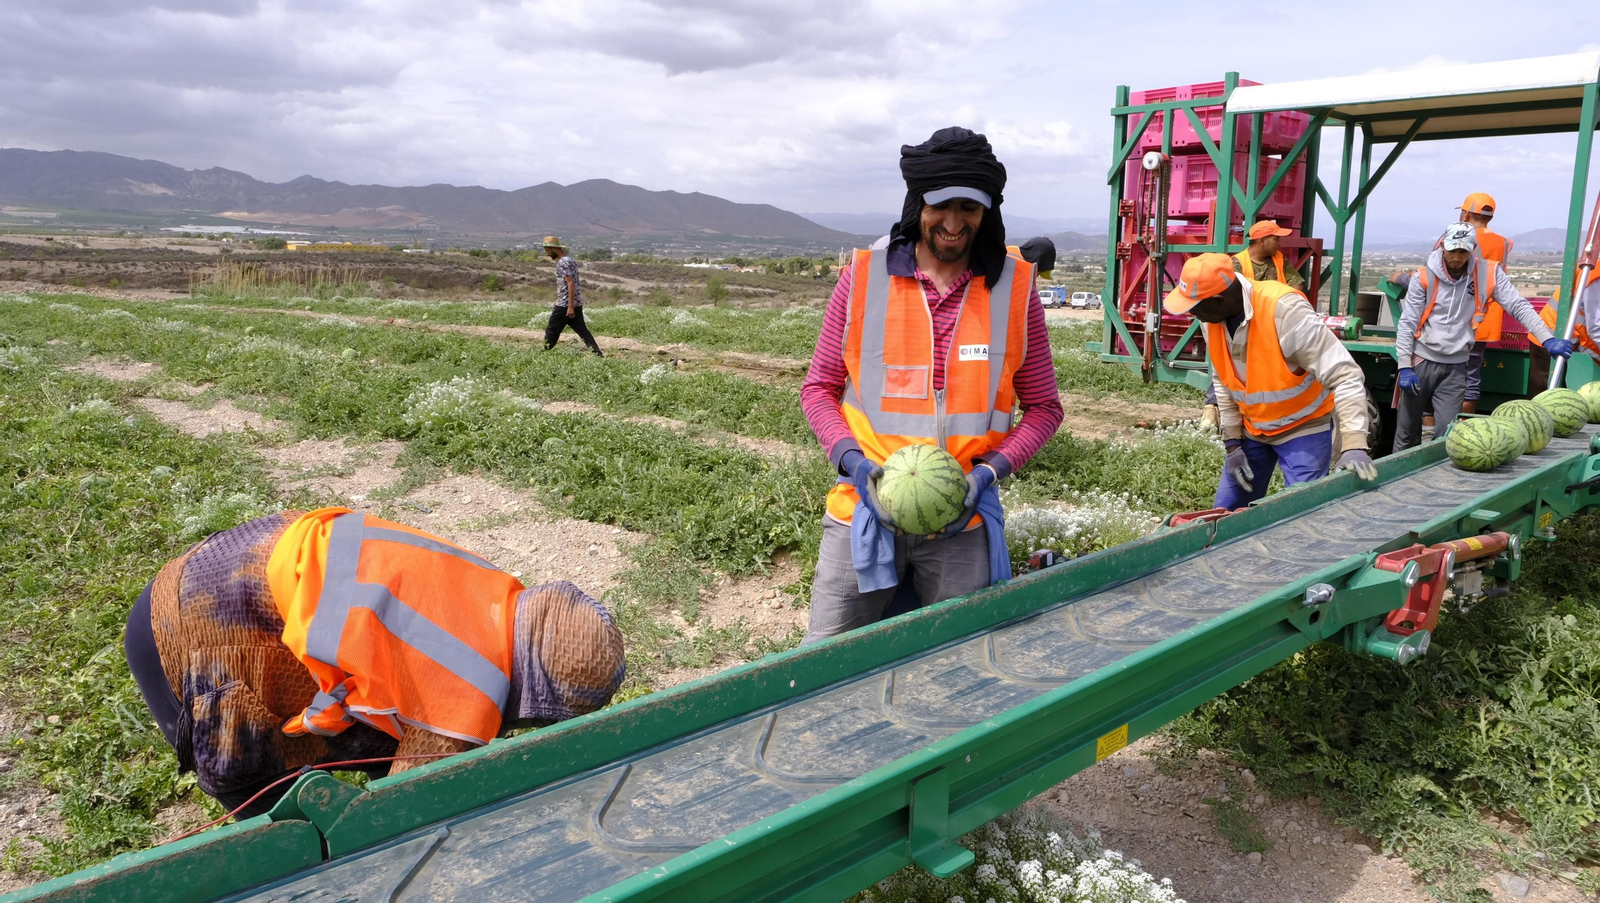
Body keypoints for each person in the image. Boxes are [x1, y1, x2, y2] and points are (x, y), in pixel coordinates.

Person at [123, 508, 626, 818]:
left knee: (375, 739)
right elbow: (411, 807)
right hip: (194, 630)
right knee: (277, 819)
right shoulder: (462, 692)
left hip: (240, 560)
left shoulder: (492, 596)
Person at [798, 126, 1064, 643]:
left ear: (987, 211)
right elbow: (818, 389)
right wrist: (855, 466)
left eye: (970, 207)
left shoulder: (1015, 289)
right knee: (818, 667)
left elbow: (1045, 408)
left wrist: (987, 475)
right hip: (864, 510)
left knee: (960, 665)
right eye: (941, 205)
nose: (954, 222)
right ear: (917, 202)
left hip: (962, 522)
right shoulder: (863, 277)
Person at [1164, 253, 1375, 508]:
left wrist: (1353, 443)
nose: (1193, 315)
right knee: (1225, 515)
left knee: (1300, 514)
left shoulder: (1284, 311)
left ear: (1219, 301)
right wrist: (1232, 444)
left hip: (1302, 427)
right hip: (1254, 430)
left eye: (1195, 308)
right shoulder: (1212, 320)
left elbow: (1345, 375)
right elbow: (1223, 379)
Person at [1394, 222, 1570, 452]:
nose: (1457, 258)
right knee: (1406, 431)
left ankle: (1438, 481)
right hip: (1421, 361)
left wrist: (1547, 338)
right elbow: (1408, 322)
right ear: (1442, 246)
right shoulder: (1424, 277)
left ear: (1472, 250)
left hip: (1456, 364)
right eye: (1452, 250)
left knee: (1447, 433)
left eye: (1463, 251)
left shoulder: (1488, 274)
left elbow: (1518, 305)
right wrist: (1404, 366)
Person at [1456, 193, 1513, 413]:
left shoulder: (1460, 237)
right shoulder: (1504, 243)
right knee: (1471, 375)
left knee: (1444, 376)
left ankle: (1432, 433)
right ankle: (1465, 427)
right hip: (1486, 319)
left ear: (1466, 213)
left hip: (1460, 316)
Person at [541, 235, 603, 356]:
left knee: (552, 329)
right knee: (583, 331)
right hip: (576, 302)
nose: (547, 254)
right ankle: (598, 355)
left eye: (547, 250)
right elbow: (568, 284)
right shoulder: (570, 260)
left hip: (566, 304)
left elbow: (570, 283)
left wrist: (569, 306)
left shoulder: (562, 263)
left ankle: (545, 353)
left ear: (553, 248)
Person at [1232, 220, 1305, 289]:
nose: (1279, 243)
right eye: (1276, 239)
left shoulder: (1279, 258)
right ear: (1262, 241)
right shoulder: (1236, 263)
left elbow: (1297, 284)